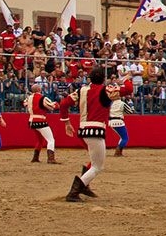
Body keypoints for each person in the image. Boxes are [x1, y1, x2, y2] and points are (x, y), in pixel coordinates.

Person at [61, 65, 120, 201]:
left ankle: (84, 186)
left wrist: (67, 122)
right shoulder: (104, 91)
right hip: (96, 131)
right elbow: (127, 89)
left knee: (94, 161)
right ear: (103, 79)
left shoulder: (81, 90)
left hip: (83, 130)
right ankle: (74, 192)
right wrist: (127, 79)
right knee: (97, 166)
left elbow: (64, 104)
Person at [27, 88, 61, 164]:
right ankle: (50, 159)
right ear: (39, 89)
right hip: (40, 121)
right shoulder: (42, 98)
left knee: (40, 140)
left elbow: (25, 103)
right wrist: (57, 104)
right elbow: (52, 106)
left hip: (31, 121)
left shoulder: (29, 97)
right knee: (51, 140)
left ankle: (35, 157)